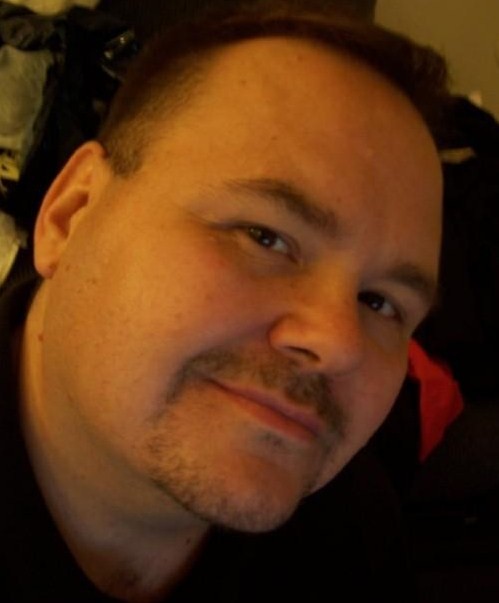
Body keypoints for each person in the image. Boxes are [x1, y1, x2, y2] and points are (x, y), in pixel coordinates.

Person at [0, 1, 450, 601]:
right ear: (71, 214)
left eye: (380, 302)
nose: (339, 343)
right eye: (265, 237)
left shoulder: (353, 529)